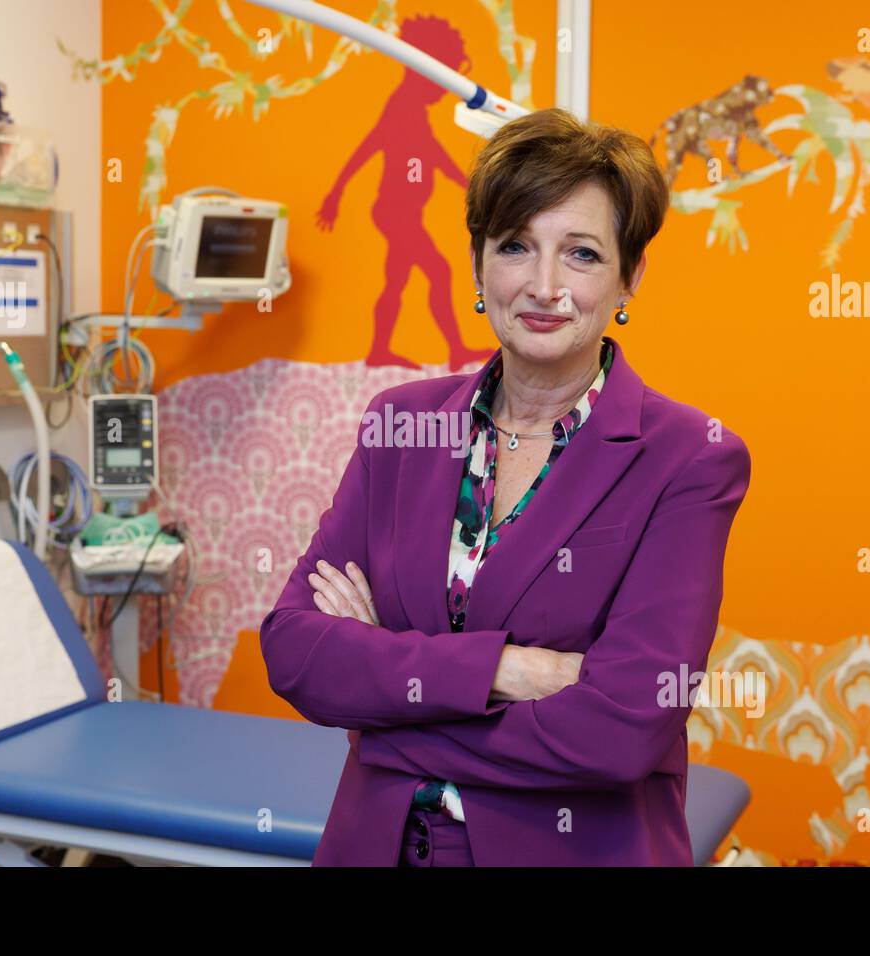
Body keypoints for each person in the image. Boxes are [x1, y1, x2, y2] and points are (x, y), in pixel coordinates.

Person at [260, 107, 752, 866]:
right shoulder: (402, 425)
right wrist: (508, 670)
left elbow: (621, 730)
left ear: (631, 275)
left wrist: (387, 709)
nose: (544, 285)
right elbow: (297, 654)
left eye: (581, 254)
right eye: (516, 246)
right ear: (479, 264)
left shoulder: (688, 458)